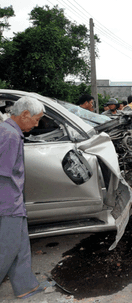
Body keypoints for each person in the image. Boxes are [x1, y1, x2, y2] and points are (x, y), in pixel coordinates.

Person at [0, 96, 51, 298]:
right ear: (24, 114)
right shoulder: (10, 136)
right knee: (7, 248)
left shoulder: (10, 131)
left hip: (13, 201)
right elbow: (3, 175)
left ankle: (25, 286)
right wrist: (11, 203)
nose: (36, 124)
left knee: (20, 245)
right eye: (36, 119)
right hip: (7, 202)